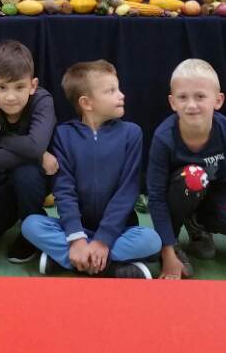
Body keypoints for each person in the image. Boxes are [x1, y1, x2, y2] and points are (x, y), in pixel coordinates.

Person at [22, 60, 160, 279]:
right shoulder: (63, 135)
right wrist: (77, 238)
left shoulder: (132, 134)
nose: (121, 95)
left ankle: (69, 261)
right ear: (87, 103)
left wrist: (103, 240)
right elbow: (64, 189)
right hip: (76, 230)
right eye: (111, 91)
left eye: (118, 89)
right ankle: (109, 267)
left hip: (118, 231)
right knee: (31, 225)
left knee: (152, 240)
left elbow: (127, 191)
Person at [146, 59, 226, 281]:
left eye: (200, 96)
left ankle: (197, 225)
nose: (191, 105)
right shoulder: (164, 138)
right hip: (179, 194)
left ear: (218, 100)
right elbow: (155, 197)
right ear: (172, 102)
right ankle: (173, 241)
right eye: (183, 97)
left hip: (214, 193)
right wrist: (167, 251)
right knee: (195, 177)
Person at [0, 40, 57, 263]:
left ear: (33, 86)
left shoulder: (42, 101)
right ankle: (15, 211)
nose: (10, 96)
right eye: (2, 87)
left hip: (37, 178)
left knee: (26, 172)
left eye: (19, 87)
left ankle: (31, 228)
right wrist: (37, 154)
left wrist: (3, 140)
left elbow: (35, 145)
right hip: (0, 175)